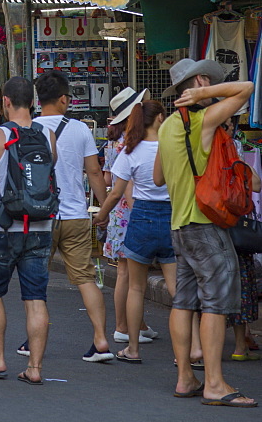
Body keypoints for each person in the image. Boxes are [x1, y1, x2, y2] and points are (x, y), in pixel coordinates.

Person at [155, 57, 256, 406]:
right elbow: (247, 89)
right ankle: (214, 383)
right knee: (215, 304)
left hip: (179, 225)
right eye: (207, 84)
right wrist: (206, 96)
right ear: (199, 83)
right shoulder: (202, 120)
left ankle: (186, 378)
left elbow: (158, 177)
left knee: (183, 302)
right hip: (206, 224)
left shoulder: (168, 125)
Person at [0, 77, 55, 385]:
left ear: (6, 101)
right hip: (41, 225)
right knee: (35, 297)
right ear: (31, 101)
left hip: (3, 226)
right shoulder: (47, 134)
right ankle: (34, 367)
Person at [30, 69, 113, 362]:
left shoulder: (29, 128)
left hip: (40, 216)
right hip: (76, 215)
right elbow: (93, 172)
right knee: (85, 278)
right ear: (64, 99)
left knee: (35, 279)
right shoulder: (79, 129)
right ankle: (101, 340)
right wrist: (103, 210)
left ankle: (33, 337)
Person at [94, 99, 174, 363]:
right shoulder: (172, 148)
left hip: (141, 218)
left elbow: (115, 191)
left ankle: (132, 349)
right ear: (160, 119)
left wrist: (102, 216)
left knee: (136, 287)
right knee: (177, 289)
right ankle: (194, 346)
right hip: (171, 216)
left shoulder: (130, 150)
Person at [103, 86, 156, 345]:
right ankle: (122, 326)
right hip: (131, 210)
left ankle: (137, 323)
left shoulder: (114, 142)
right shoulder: (131, 142)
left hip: (117, 210)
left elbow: (107, 179)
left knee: (128, 272)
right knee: (127, 273)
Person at [223, 116, 261, 362]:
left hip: (207, 228)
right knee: (240, 287)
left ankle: (201, 348)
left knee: (210, 288)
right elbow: (256, 185)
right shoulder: (234, 154)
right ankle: (239, 346)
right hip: (235, 229)